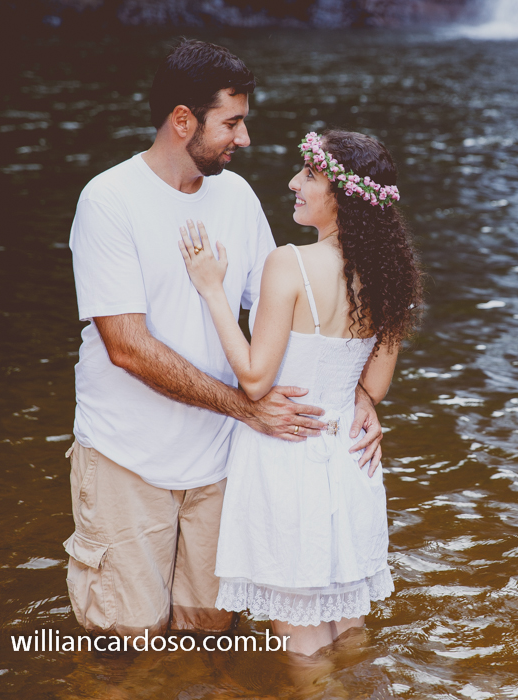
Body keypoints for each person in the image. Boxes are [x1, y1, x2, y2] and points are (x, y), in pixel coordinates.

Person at [64, 40, 383, 638]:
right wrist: (246, 407)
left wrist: (354, 398)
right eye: (231, 123)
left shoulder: (235, 197)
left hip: (222, 464)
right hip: (128, 459)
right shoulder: (109, 201)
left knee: (211, 635)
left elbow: (292, 315)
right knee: (123, 640)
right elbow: (126, 346)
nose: (245, 139)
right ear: (183, 121)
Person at [177, 129, 421, 656]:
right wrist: (358, 405)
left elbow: (255, 379)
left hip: (287, 458)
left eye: (309, 175)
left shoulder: (289, 263)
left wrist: (212, 289)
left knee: (300, 641)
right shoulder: (390, 275)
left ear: (343, 198)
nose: (294, 182)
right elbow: (373, 388)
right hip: (350, 458)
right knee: (349, 631)